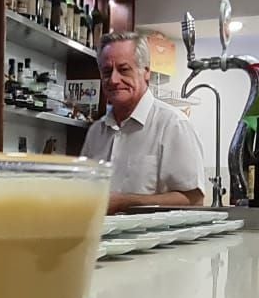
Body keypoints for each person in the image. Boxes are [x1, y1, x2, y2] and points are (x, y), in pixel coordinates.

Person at [80, 32, 205, 212]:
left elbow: (194, 200)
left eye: (124, 70)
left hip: (157, 240)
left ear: (146, 71)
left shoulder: (173, 125)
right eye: (107, 72)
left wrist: (124, 202)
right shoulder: (96, 132)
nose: (114, 80)